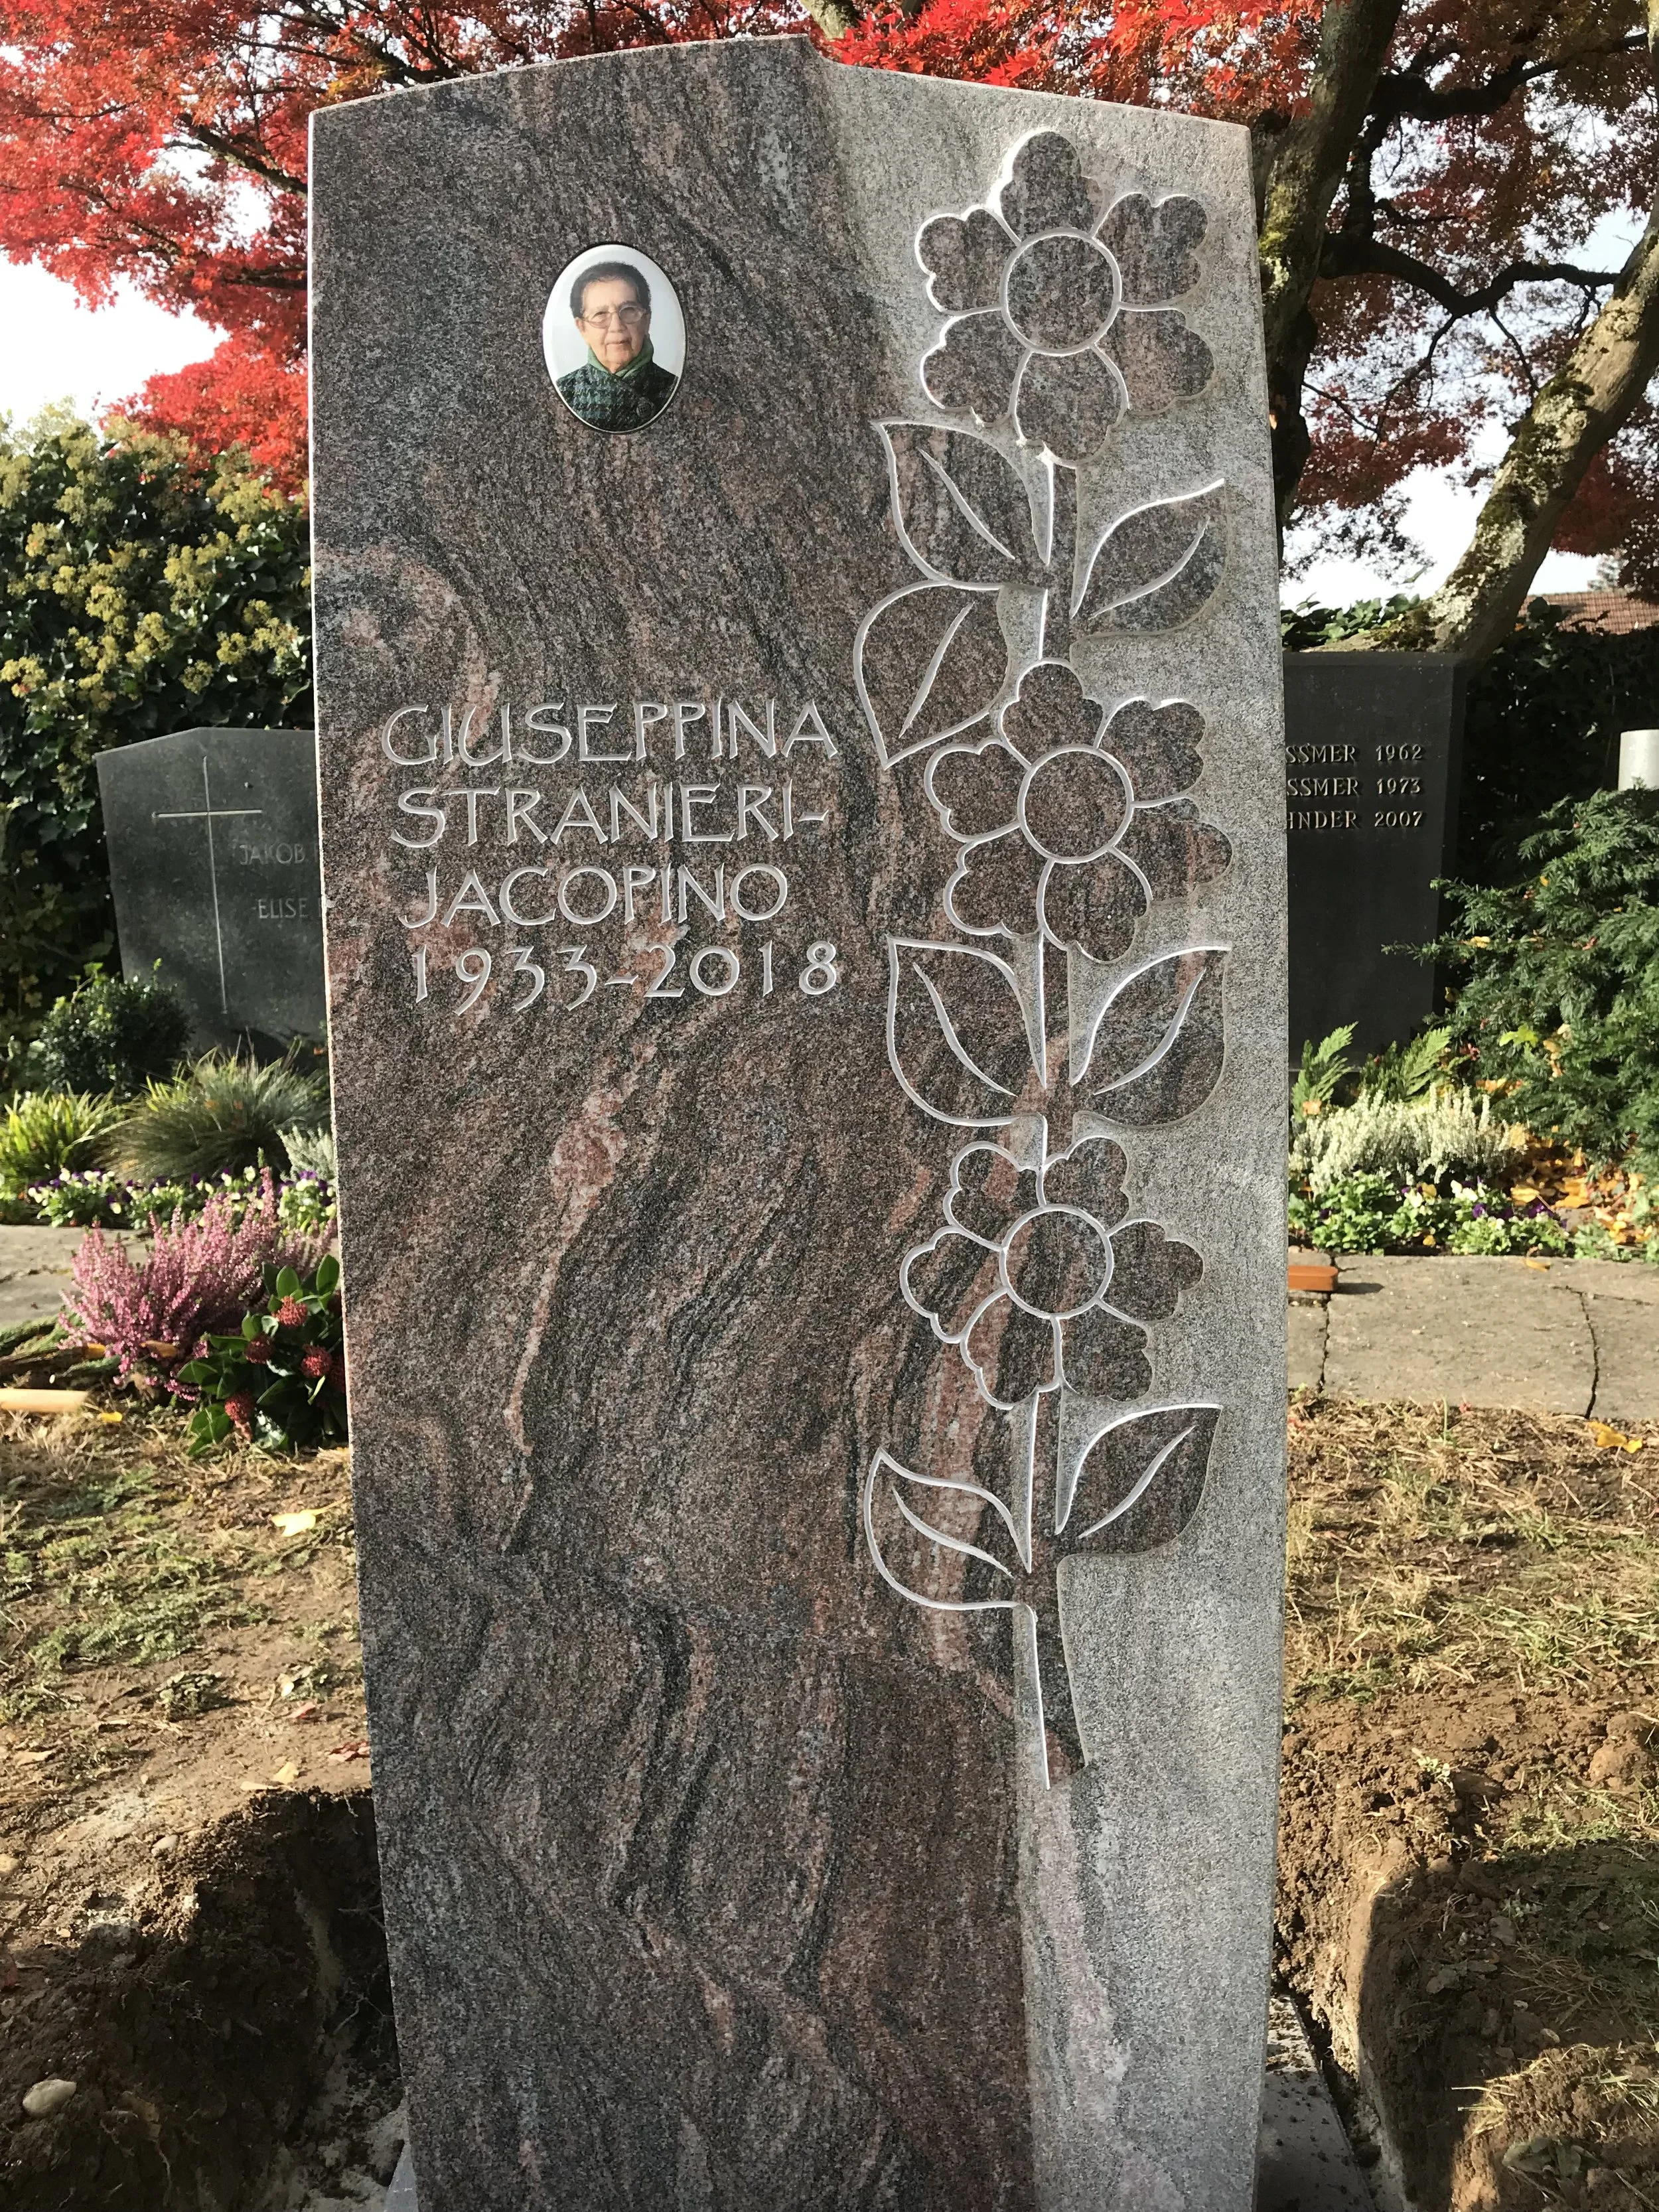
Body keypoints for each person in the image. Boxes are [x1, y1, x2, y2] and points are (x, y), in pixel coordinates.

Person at [556, 260, 679, 432]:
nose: (616, 326)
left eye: (628, 310)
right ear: (582, 328)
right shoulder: (564, 392)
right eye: (600, 314)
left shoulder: (674, 387)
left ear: (646, 321)